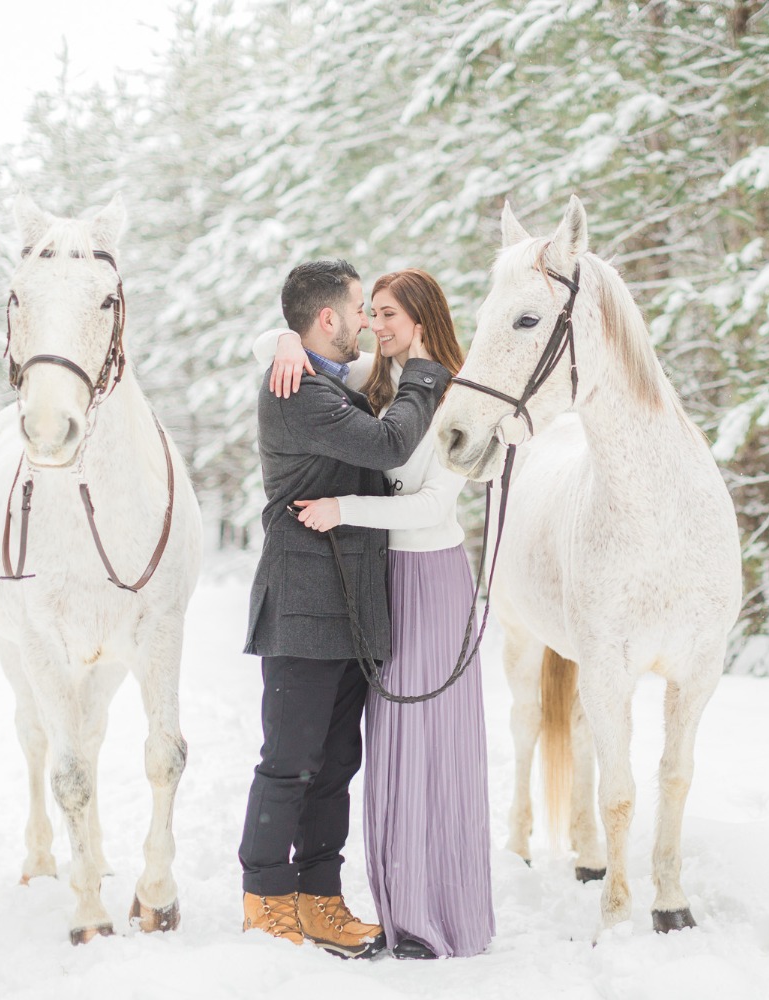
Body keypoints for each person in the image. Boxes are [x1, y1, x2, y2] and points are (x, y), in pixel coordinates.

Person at [251, 268, 494, 960]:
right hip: (343, 592)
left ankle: (368, 903)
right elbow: (370, 425)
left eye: (385, 313)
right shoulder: (332, 381)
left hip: (397, 587)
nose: (371, 324)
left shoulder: (437, 387)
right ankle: (276, 899)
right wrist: (279, 341)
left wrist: (426, 372)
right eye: (366, 310)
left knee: (367, 756)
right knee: (318, 756)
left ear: (419, 319)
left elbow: (427, 495)